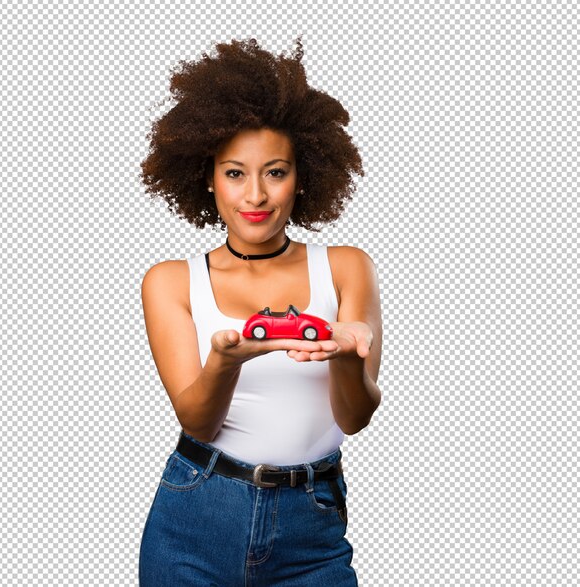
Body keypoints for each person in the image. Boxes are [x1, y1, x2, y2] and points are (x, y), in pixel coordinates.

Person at [138, 38, 382, 586]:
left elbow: (356, 417)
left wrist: (345, 353)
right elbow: (198, 421)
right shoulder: (171, 281)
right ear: (207, 177)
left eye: (275, 172)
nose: (255, 195)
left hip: (311, 527)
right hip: (196, 518)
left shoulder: (346, 268)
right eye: (234, 173)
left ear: (303, 177)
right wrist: (227, 358)